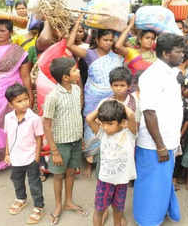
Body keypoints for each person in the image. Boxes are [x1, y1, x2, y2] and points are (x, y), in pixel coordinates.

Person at [133, 33, 185, 226]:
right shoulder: (151, 76)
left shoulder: (171, 72)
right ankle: (148, 221)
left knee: (162, 183)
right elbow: (149, 113)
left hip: (168, 140)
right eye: (178, 51)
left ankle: (161, 212)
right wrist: (161, 146)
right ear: (165, 53)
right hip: (154, 145)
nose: (182, 55)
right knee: (151, 186)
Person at [67, 25, 123, 174]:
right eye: (105, 40)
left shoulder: (116, 56)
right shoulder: (89, 54)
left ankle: (104, 161)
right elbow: (70, 45)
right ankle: (89, 162)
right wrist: (78, 22)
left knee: (108, 125)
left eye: (111, 40)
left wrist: (129, 25)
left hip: (111, 96)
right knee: (90, 128)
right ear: (97, 40)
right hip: (93, 97)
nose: (108, 43)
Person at [0, 19, 32, 173]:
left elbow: (25, 77)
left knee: (7, 124)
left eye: (3, 30)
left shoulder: (18, 52)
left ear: (10, 32)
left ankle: (9, 157)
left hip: (8, 94)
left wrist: (29, 96)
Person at [42, 57, 87, 225]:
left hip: (75, 140)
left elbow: (76, 116)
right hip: (60, 144)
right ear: (65, 77)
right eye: (75, 70)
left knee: (70, 173)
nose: (79, 72)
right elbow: (46, 124)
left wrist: (80, 137)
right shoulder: (53, 96)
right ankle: (58, 205)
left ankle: (68, 201)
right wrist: (54, 151)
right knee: (58, 175)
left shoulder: (75, 90)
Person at [86, 100, 137, 226]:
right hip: (104, 181)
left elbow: (131, 115)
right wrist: (104, 104)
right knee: (99, 210)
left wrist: (118, 104)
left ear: (122, 122)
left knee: (118, 210)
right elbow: (89, 118)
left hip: (122, 181)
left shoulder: (130, 133)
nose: (105, 127)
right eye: (103, 123)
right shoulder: (102, 133)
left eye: (110, 124)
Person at [4, 84, 45, 224]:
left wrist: (37, 156)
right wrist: (7, 153)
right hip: (15, 158)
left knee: (34, 183)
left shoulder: (34, 118)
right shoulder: (8, 118)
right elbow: (8, 136)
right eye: (19, 101)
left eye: (26, 99)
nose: (24, 103)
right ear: (11, 104)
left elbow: (39, 137)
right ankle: (21, 199)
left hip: (30, 157)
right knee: (17, 180)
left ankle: (39, 206)